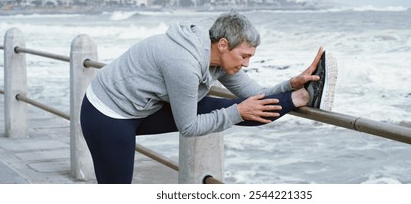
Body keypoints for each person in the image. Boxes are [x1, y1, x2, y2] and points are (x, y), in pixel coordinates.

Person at [80, 11, 337, 184]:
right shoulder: (184, 64)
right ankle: (300, 97)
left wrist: (291, 83)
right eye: (244, 56)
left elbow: (254, 95)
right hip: (107, 116)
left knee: (248, 109)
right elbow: (188, 127)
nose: (246, 64)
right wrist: (237, 112)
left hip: (143, 107)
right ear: (223, 44)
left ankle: (303, 96)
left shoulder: (217, 57)